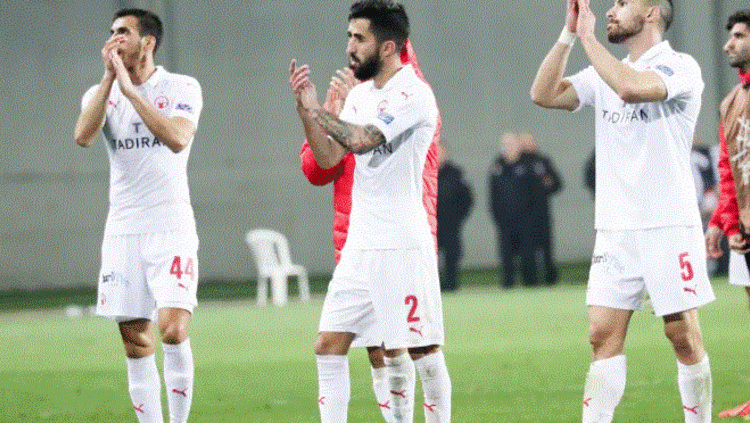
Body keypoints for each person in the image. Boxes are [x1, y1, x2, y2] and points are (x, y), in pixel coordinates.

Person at [530, 0, 714, 422]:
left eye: (623, 2)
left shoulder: (680, 66)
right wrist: (569, 34)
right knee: (600, 336)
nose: (611, 10)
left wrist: (589, 38)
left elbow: (630, 87)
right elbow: (542, 94)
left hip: (668, 224)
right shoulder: (603, 72)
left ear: (651, 13)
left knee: (681, 335)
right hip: (616, 229)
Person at [289, 1, 450, 422]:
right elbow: (329, 157)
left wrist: (319, 111)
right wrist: (307, 115)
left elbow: (363, 140)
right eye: (349, 37)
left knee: (422, 350)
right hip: (360, 247)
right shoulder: (360, 95)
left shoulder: (414, 94)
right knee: (328, 345)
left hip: (402, 244)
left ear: (388, 47)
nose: (350, 47)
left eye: (359, 38)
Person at [73, 8, 202, 423]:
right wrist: (110, 81)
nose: (114, 39)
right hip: (124, 229)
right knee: (136, 342)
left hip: (171, 225)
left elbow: (178, 138)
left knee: (173, 330)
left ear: (148, 42)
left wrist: (132, 93)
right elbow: (83, 136)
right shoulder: (99, 93)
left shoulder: (182, 87)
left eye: (123, 32)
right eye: (111, 32)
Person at [705, 9, 750, 419]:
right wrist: (724, 222)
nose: (728, 45)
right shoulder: (730, 103)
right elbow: (728, 169)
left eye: (738, 36)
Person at [488, 133, 537, 288]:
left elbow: (535, 194)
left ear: (518, 146)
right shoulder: (496, 167)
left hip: (525, 221)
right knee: (506, 255)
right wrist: (498, 217)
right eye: (505, 145)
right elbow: (493, 196)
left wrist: (531, 217)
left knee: (527, 255)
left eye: (511, 144)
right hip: (505, 222)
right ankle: (508, 284)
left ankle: (530, 285)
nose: (508, 148)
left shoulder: (527, 166)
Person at [519, 132, 563, 285]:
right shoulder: (516, 163)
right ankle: (530, 282)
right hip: (523, 216)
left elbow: (557, 183)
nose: (529, 144)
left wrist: (548, 184)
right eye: (525, 142)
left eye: (531, 141)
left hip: (542, 214)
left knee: (547, 249)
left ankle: (551, 280)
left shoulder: (543, 161)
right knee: (527, 250)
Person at [436, 142, 473, 292]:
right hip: (431, 227)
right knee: (431, 259)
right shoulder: (425, 172)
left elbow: (467, 199)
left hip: (451, 225)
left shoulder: (456, 173)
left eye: (441, 152)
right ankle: (435, 288)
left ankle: (452, 285)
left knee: (452, 256)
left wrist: (457, 219)